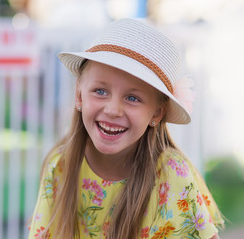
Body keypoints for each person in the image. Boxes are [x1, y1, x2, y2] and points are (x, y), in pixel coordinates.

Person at [28, 18, 224, 239]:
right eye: (100, 91)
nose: (113, 110)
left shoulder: (171, 173)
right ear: (79, 95)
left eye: (132, 98)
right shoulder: (60, 166)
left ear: (156, 113)